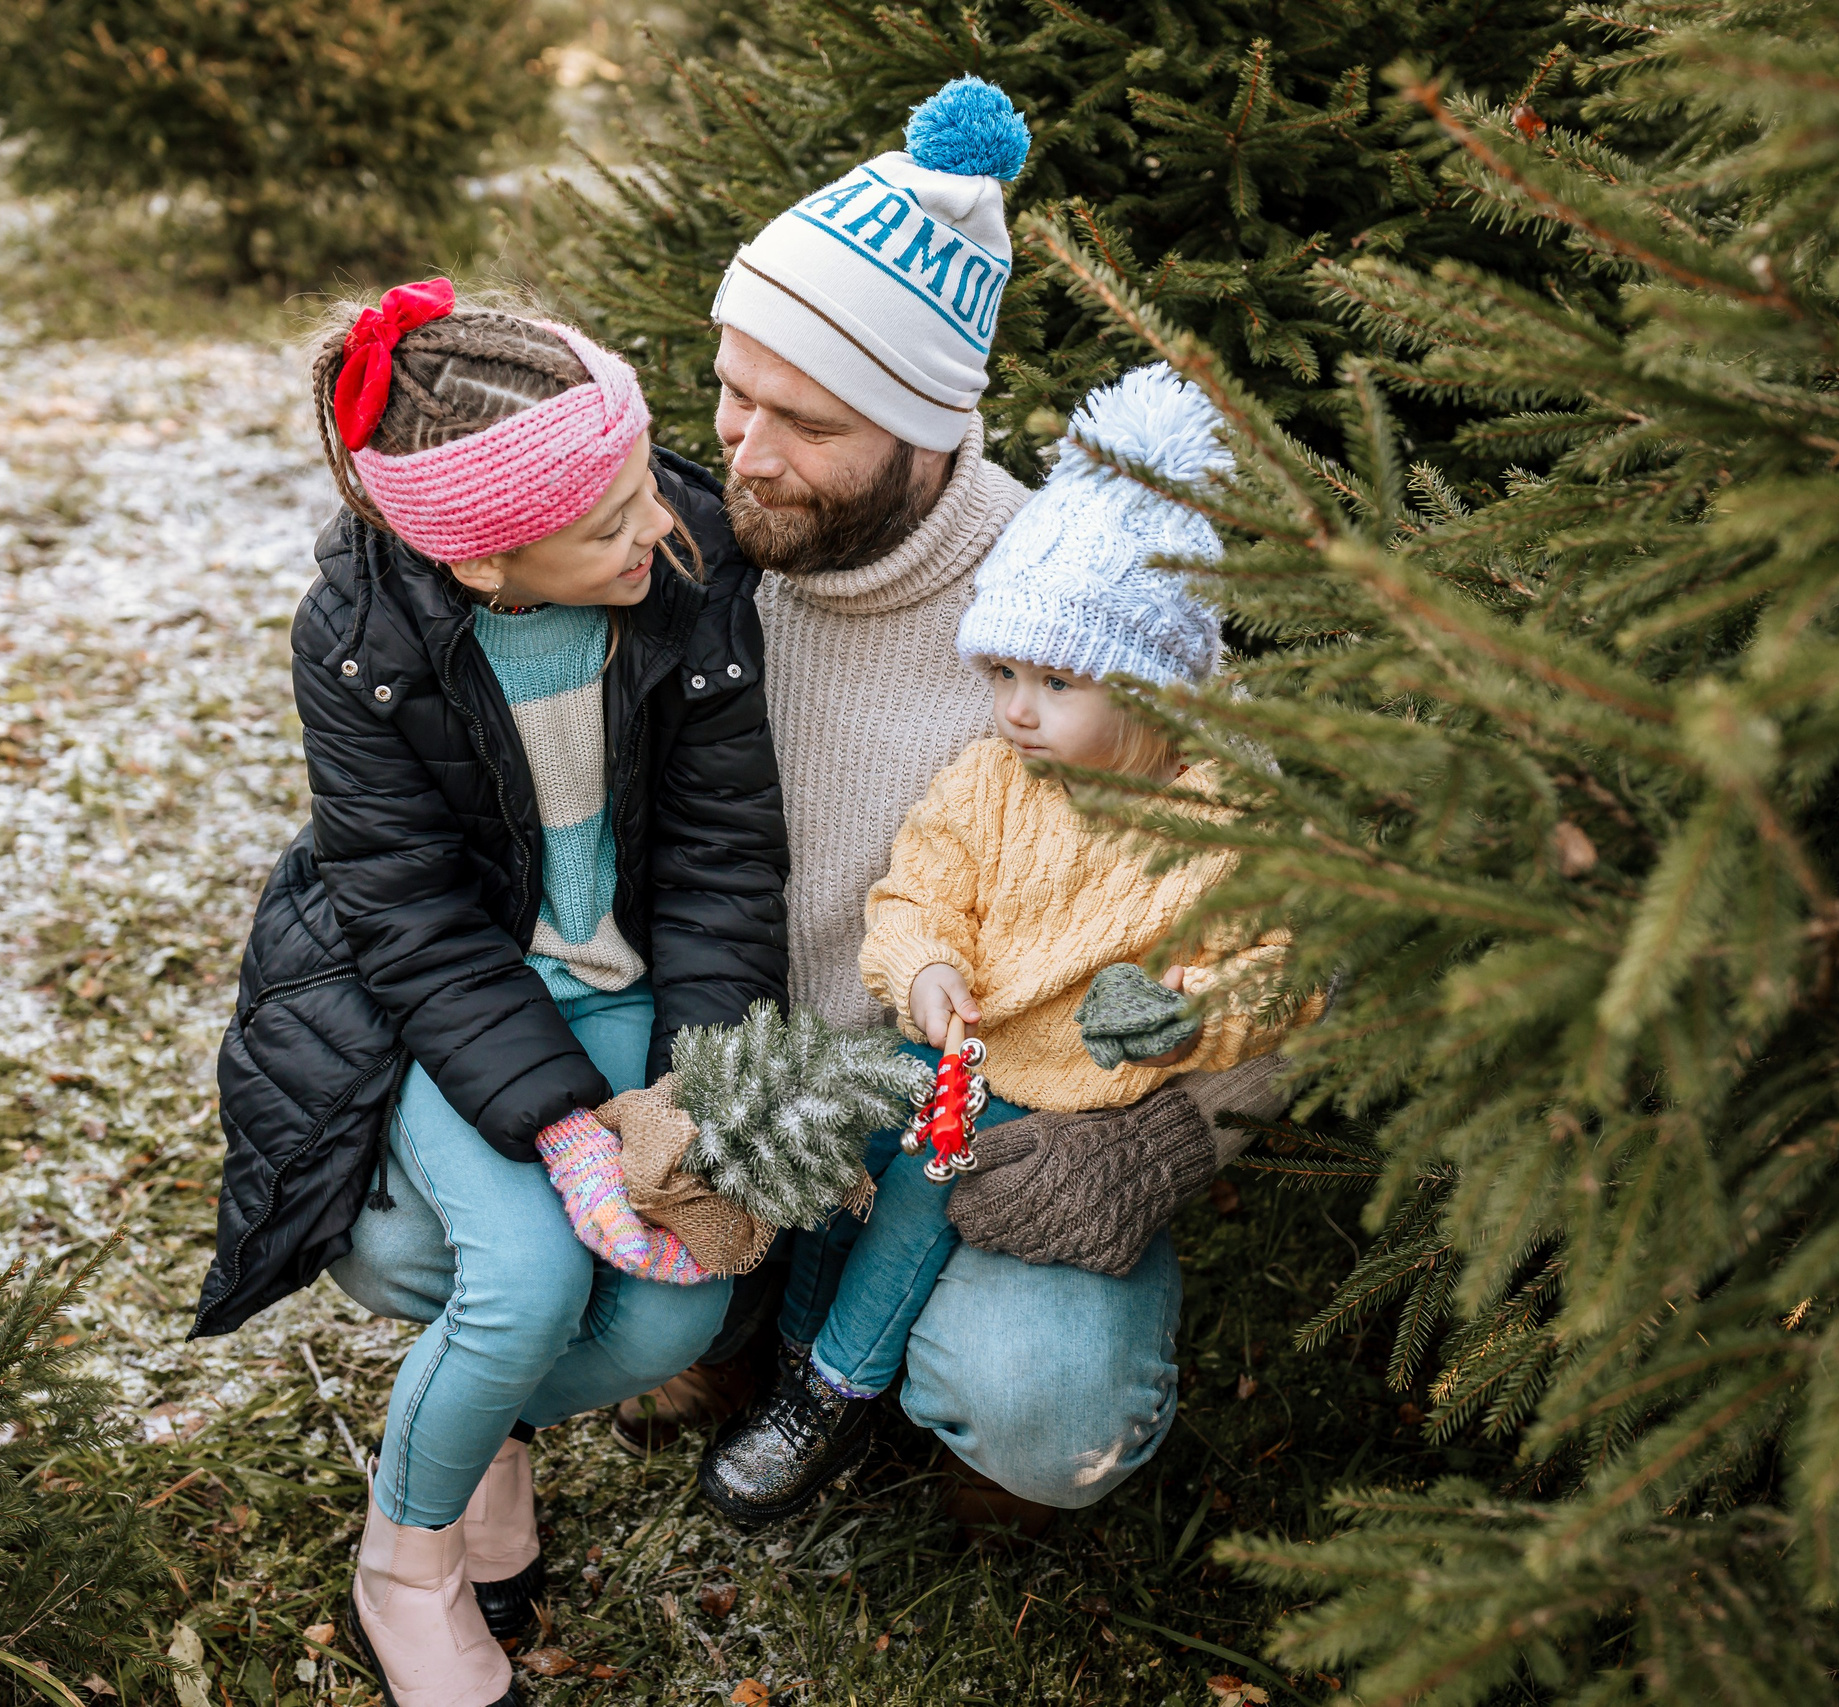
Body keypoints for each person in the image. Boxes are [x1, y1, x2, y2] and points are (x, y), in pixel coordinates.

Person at [620, 78, 1297, 1527]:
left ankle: (950, 1410)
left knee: (1044, 1396)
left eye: (801, 418)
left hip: (984, 1110)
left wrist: (1170, 1136)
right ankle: (732, 1334)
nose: (741, 446)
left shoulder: (1081, 608)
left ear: (932, 431)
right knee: (469, 1234)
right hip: (742, 1076)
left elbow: (1276, 912)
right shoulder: (666, 557)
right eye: (731, 388)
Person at [697, 367, 1322, 1524]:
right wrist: (925, 970)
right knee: (827, 1142)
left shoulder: (1223, 820)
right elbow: (916, 891)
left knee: (927, 1190)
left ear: (1159, 688)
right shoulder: (993, 780)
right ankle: (767, 1341)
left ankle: (833, 1389)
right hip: (939, 1052)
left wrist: (1190, 1012)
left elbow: (1279, 974)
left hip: (1056, 1111)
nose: (1016, 710)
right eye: (1001, 674)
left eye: (1056, 682)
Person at [294, 280, 787, 1707]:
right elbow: (411, 912)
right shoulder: (362, 643)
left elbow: (721, 854)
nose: (659, 527)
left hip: (629, 989)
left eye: (644, 481)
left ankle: (474, 1429)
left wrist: (694, 1085)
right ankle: (407, 1556)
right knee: (521, 1281)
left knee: (676, 1304)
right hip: (467, 1006)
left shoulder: (680, 581)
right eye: (605, 524)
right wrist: (562, 1126)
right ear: (490, 565)